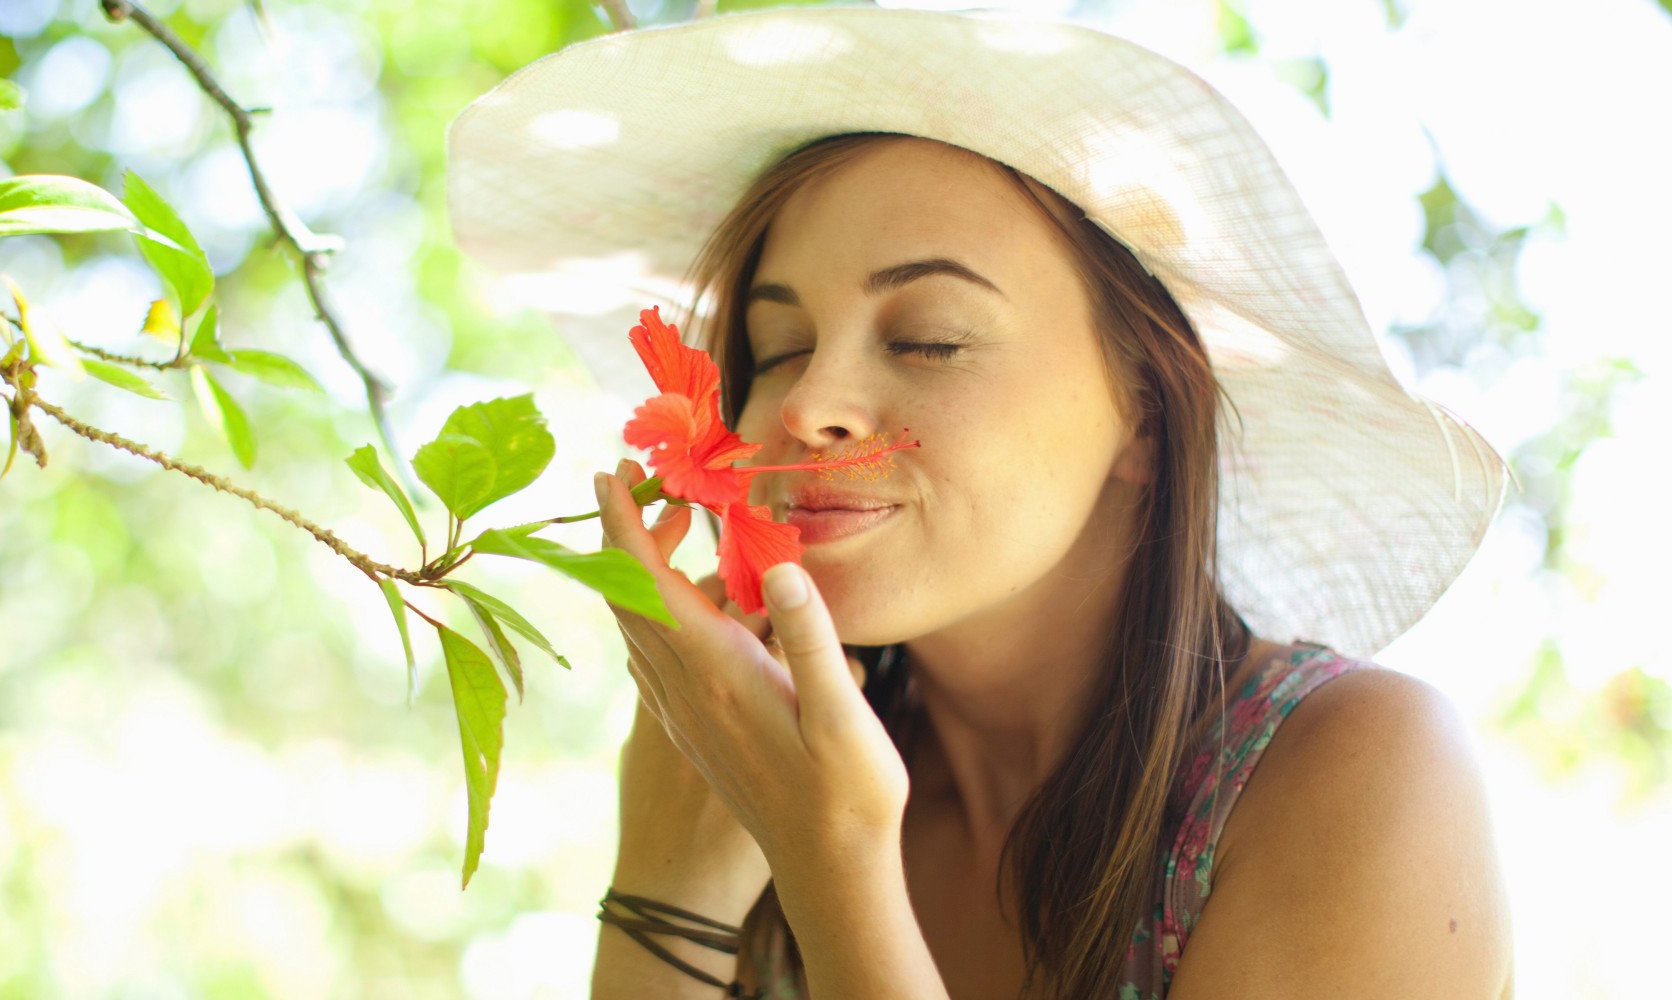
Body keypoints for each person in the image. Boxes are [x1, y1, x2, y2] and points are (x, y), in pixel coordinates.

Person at [446, 6, 1514, 999]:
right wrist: (668, 881)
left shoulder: (1355, 772)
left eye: (928, 339)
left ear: (1142, 415)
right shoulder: (755, 781)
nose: (808, 401)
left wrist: (832, 865)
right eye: (778, 347)